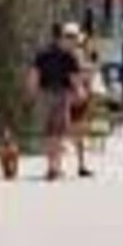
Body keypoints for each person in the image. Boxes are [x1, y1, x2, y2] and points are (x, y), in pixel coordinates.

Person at [28, 23, 82, 181]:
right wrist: (79, 92)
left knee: (49, 132)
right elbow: (74, 79)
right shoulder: (68, 56)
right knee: (58, 133)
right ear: (62, 37)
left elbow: (34, 74)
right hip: (61, 95)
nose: (70, 41)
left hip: (45, 95)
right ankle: (55, 167)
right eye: (68, 37)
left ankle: (52, 166)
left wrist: (32, 93)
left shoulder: (42, 53)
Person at [68, 32, 96, 179]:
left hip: (77, 96)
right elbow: (80, 76)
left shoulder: (78, 55)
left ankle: (79, 163)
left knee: (77, 130)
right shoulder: (77, 56)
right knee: (76, 130)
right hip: (76, 96)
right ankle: (79, 164)